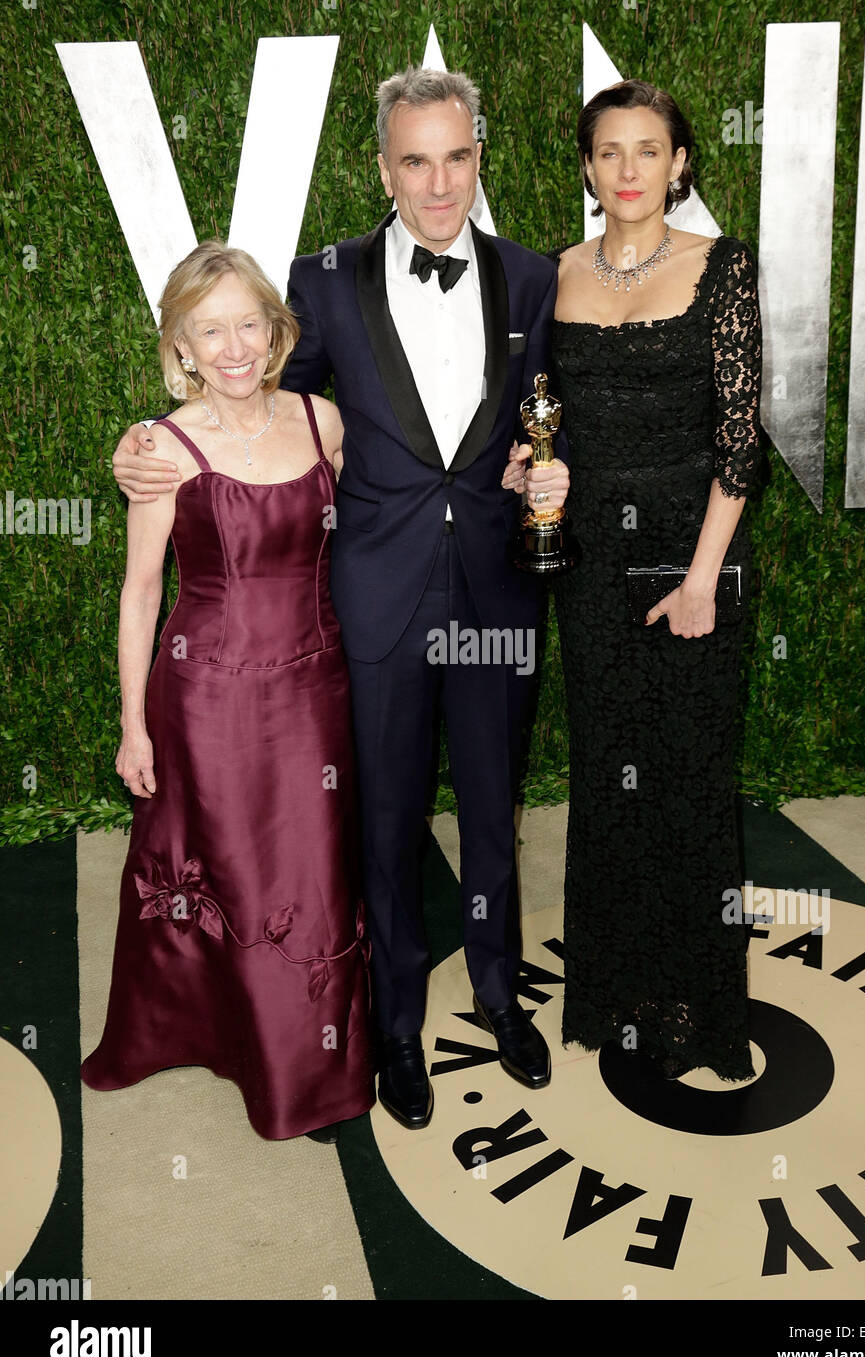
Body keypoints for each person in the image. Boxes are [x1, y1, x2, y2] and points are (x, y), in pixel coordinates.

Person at [111, 68, 570, 1130]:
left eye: (456, 156)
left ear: (477, 157)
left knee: (493, 813)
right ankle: (396, 1023)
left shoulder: (531, 279)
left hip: (497, 596)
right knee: (386, 819)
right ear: (382, 167)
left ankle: (500, 993)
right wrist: (140, 444)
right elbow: (249, 403)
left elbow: (543, 424)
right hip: (371, 605)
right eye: (415, 159)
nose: (438, 181)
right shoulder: (322, 284)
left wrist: (540, 475)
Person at [83, 241, 375, 1139]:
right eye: (210, 331)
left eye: (248, 323)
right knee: (238, 879)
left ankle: (314, 1065)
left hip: (316, 690)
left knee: (316, 875)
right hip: (205, 700)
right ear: (181, 346)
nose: (234, 346)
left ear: (277, 330)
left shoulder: (325, 422)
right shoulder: (161, 450)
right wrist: (134, 725)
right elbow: (141, 592)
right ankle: (231, 1046)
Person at [507, 79, 762, 1081]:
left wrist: (701, 579)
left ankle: (700, 1010)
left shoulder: (720, 268)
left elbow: (738, 445)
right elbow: (534, 418)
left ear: (678, 163)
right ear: (585, 165)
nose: (625, 171)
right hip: (592, 564)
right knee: (611, 774)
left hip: (690, 551)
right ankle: (617, 994)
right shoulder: (553, 274)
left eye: (646, 151)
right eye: (607, 152)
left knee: (691, 778)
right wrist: (530, 471)